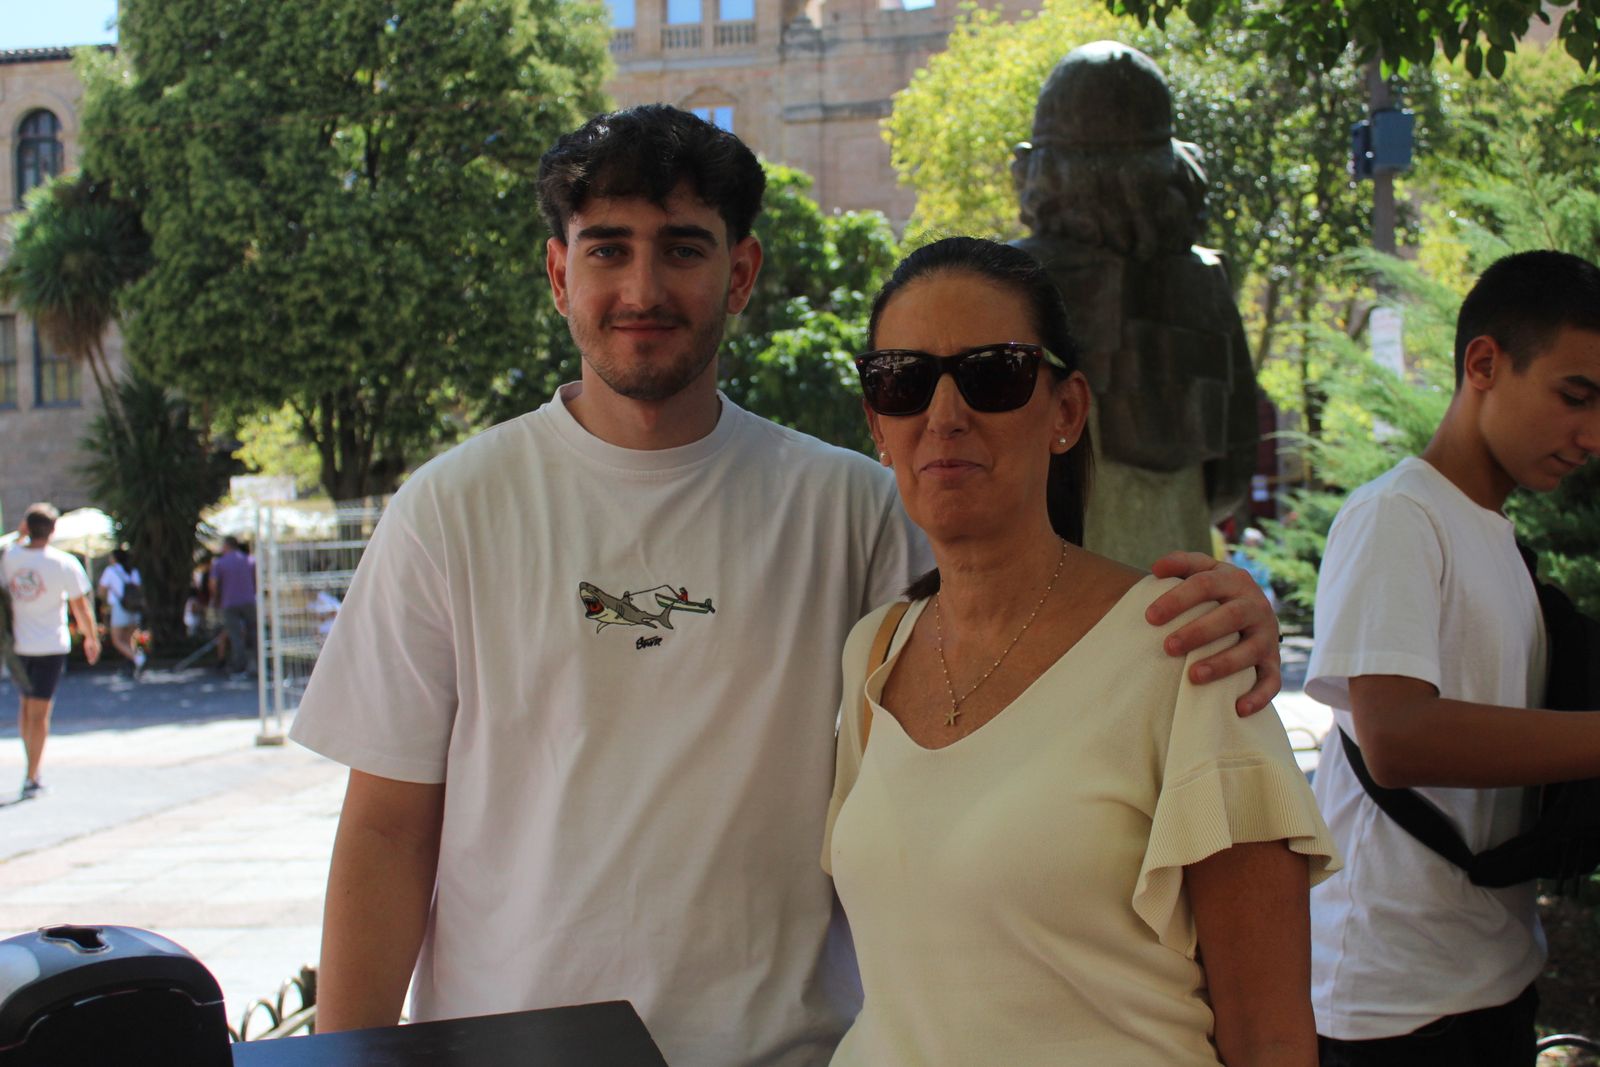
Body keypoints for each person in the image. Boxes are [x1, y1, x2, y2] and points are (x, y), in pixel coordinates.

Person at [290, 105, 1288, 1066]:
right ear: (558, 272)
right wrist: (341, 1059)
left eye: (683, 247)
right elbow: (384, 827)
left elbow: (1021, 637)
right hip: (514, 1046)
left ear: (743, 273)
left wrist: (1227, 612)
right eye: (607, 248)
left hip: (788, 1051)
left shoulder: (854, 507)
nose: (642, 285)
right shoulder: (450, 509)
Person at [823, 237, 1337, 1065]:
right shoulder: (872, 653)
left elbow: (1270, 1032)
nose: (944, 413)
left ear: (1066, 411)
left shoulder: (1189, 653)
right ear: (877, 424)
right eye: (903, 380)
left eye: (993, 373)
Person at [1304, 250, 1600, 1066]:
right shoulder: (1398, 513)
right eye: (1574, 397)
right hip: (1392, 1000)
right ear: (1483, 364)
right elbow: (1396, 736)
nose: (1592, 435)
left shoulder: (1497, 536)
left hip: (1492, 969)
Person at [1, 503, 102, 798]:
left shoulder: (9, 558)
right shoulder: (63, 562)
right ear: (54, 530)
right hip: (51, 644)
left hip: (17, 645)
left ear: (25, 527)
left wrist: (19, 536)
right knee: (40, 712)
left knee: (26, 705)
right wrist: (91, 637)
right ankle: (33, 774)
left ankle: (30, 766)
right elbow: (80, 605)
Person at [209, 536, 256, 678]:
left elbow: (213, 584)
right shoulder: (250, 560)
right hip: (249, 601)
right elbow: (257, 580)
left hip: (229, 603)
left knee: (235, 636)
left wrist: (216, 598)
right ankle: (257, 666)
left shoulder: (220, 563)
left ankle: (239, 668)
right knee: (254, 634)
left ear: (226, 546)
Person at [98, 547, 145, 674]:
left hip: (119, 607)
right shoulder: (133, 571)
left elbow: (101, 590)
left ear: (114, 558)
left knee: (117, 640)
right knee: (129, 639)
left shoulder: (111, 570)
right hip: (134, 608)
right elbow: (138, 589)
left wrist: (106, 601)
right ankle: (132, 665)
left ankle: (138, 659)